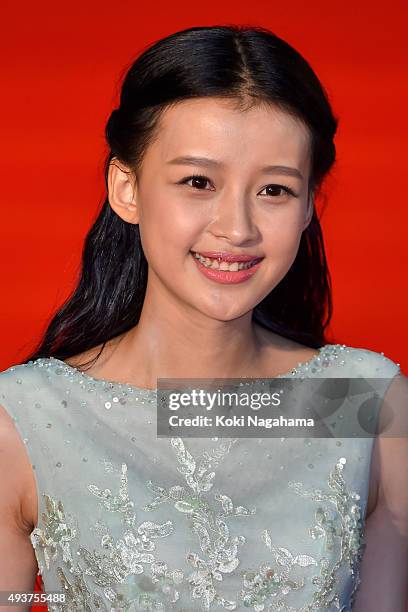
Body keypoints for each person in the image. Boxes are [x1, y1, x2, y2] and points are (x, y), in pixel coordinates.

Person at [0, 24, 407, 612]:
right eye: (198, 182)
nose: (236, 229)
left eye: (274, 190)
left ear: (309, 207)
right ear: (127, 188)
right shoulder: (27, 419)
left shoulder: (360, 402)